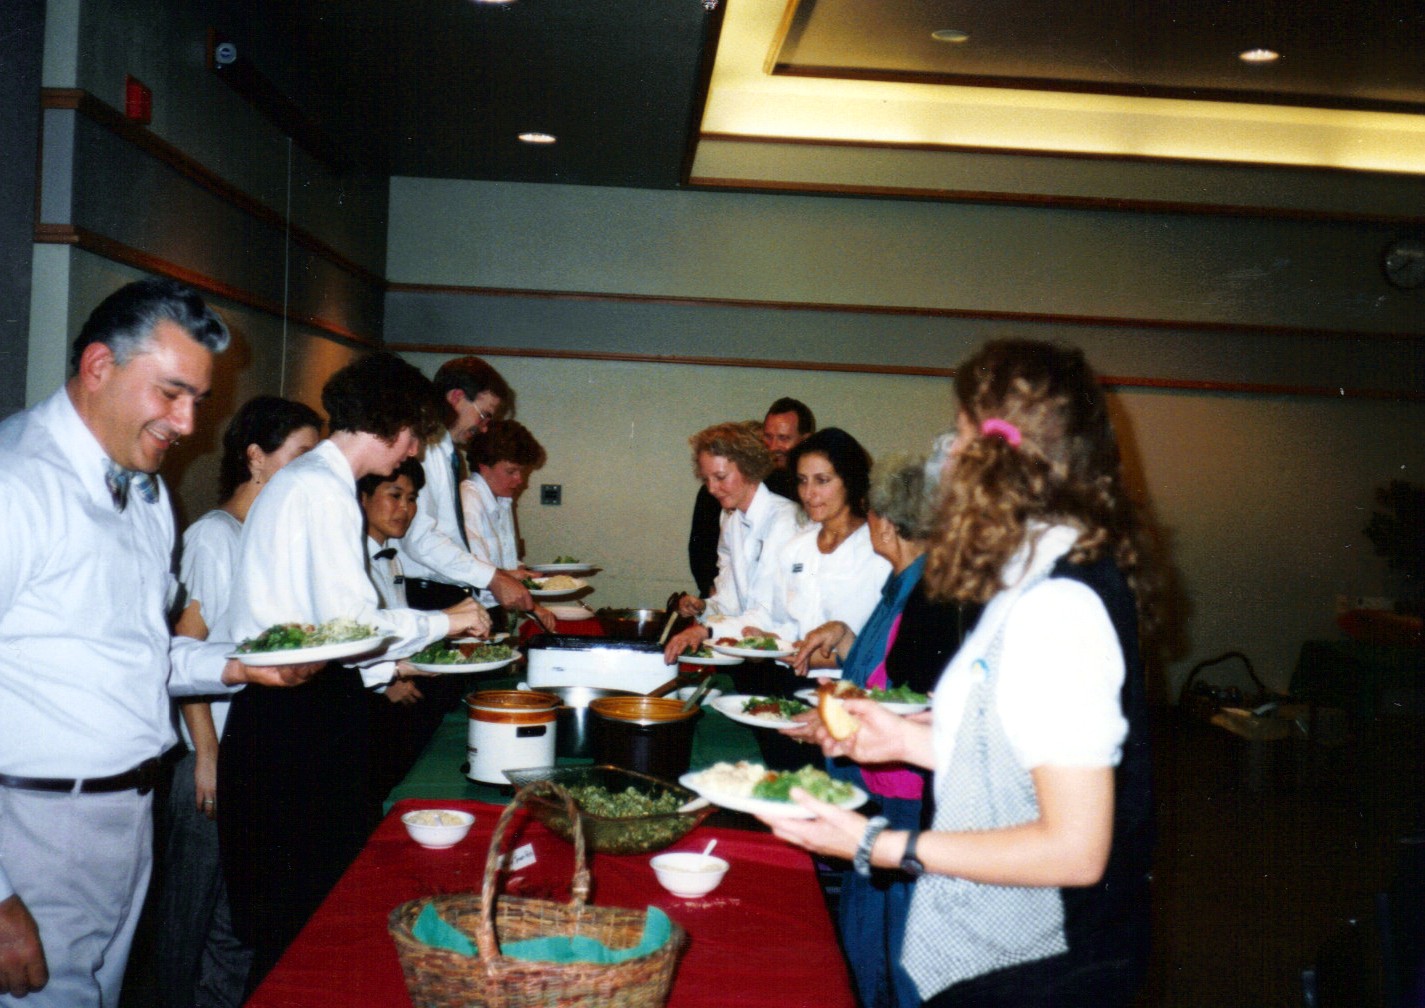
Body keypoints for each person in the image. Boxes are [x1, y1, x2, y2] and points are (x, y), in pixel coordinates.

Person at [764, 339, 1157, 1008]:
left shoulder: (1059, 603)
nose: (942, 460)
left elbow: (1073, 849)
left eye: (958, 437)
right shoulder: (1027, 574)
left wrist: (874, 844)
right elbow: (1010, 750)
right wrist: (902, 738)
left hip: (1041, 968)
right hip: (1003, 951)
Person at [0, 278, 319, 1008]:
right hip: (33, 830)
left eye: (198, 400)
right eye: (171, 393)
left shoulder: (145, 495)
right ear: (99, 367)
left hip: (128, 820)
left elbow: (143, 653)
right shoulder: (16, 484)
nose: (187, 423)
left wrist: (238, 667)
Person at [213, 351, 490, 992]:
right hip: (295, 718)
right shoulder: (322, 487)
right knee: (303, 927)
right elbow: (352, 626)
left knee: (301, 922)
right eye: (415, 435)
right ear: (394, 425)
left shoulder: (312, 480)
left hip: (293, 713)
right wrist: (447, 621)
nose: (412, 451)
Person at [785, 450, 965, 1008]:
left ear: (886, 523)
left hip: (902, 799)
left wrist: (839, 709)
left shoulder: (933, 595)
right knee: (865, 948)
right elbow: (880, 665)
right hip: (876, 794)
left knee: (895, 959)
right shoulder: (903, 583)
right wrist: (842, 637)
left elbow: (911, 699)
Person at [159, 395, 322, 1008]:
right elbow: (183, 651)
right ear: (255, 458)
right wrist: (207, 754)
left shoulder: (268, 539)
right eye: (300, 457)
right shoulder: (213, 537)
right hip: (213, 756)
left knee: (236, 917)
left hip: (252, 753)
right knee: (188, 920)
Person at [398, 356, 534, 614]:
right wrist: (493, 578)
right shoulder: (423, 452)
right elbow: (419, 538)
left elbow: (449, 536)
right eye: (484, 416)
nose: (484, 429)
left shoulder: (446, 452)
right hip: (423, 595)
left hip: (445, 590)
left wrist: (497, 575)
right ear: (456, 397)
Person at [359, 458, 461, 804]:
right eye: (395, 495)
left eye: (412, 498)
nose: (406, 508)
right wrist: (387, 682)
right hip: (367, 701)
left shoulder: (393, 557)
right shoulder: (350, 559)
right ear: (362, 497)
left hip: (401, 685)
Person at [745, 427, 889, 671]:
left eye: (822, 481)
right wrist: (766, 640)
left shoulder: (878, 551)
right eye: (803, 481)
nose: (809, 493)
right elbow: (787, 622)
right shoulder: (795, 549)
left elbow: (882, 646)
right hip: (792, 681)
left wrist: (823, 659)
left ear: (851, 481)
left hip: (851, 687)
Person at [663, 421, 800, 665]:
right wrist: (704, 607)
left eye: (720, 477)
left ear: (748, 468)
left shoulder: (784, 521)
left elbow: (767, 612)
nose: (712, 489)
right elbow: (731, 600)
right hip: (751, 651)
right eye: (706, 479)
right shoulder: (733, 522)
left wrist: (707, 631)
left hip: (786, 658)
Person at [688, 398, 814, 596]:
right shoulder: (731, 514)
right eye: (768, 437)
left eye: (783, 438)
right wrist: (710, 606)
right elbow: (706, 558)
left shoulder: (798, 504)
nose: (773, 446)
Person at [460, 419, 555, 632]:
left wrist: (529, 584)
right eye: (511, 471)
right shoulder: (469, 500)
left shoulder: (502, 500)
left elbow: (504, 566)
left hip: (492, 613)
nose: (520, 480)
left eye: (521, 471)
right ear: (484, 467)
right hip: (471, 617)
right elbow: (481, 576)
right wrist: (532, 603)